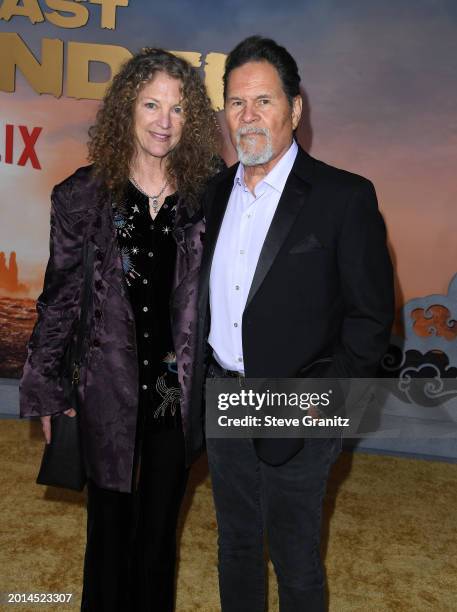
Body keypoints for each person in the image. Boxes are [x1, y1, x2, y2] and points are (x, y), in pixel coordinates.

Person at [190, 36, 394, 612]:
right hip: (224, 397)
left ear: (295, 109)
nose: (247, 116)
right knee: (235, 545)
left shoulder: (343, 197)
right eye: (235, 103)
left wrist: (326, 415)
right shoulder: (210, 194)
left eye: (263, 101)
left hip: (302, 408)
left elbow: (371, 320)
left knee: (295, 556)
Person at [20, 48, 220, 611]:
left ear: (192, 120)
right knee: (108, 536)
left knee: (158, 539)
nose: (164, 121)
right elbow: (59, 300)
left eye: (178, 109)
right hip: (103, 393)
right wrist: (50, 395)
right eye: (151, 104)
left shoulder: (209, 199)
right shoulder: (81, 197)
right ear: (125, 111)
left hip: (174, 398)